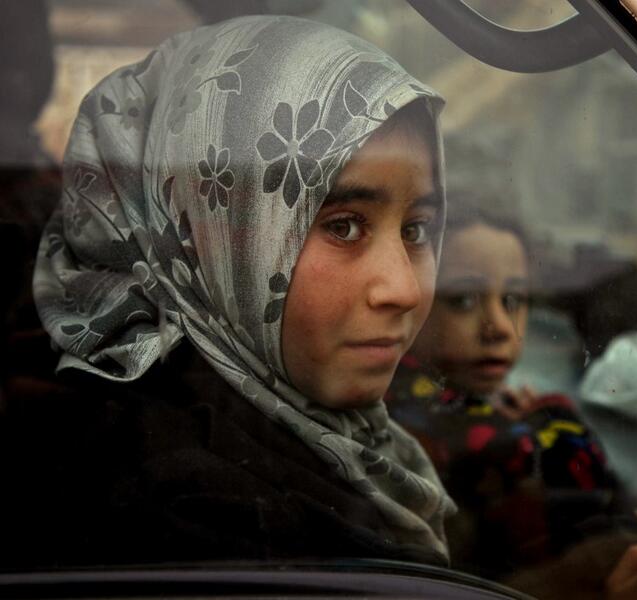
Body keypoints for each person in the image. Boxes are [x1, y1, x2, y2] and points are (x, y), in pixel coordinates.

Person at [4, 15, 457, 568]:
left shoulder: (329, 439)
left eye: (416, 230)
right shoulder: (189, 513)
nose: (404, 289)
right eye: (342, 226)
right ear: (212, 234)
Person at [388, 194, 637, 599]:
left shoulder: (488, 415)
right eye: (463, 300)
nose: (500, 327)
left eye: (513, 300)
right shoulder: (431, 447)